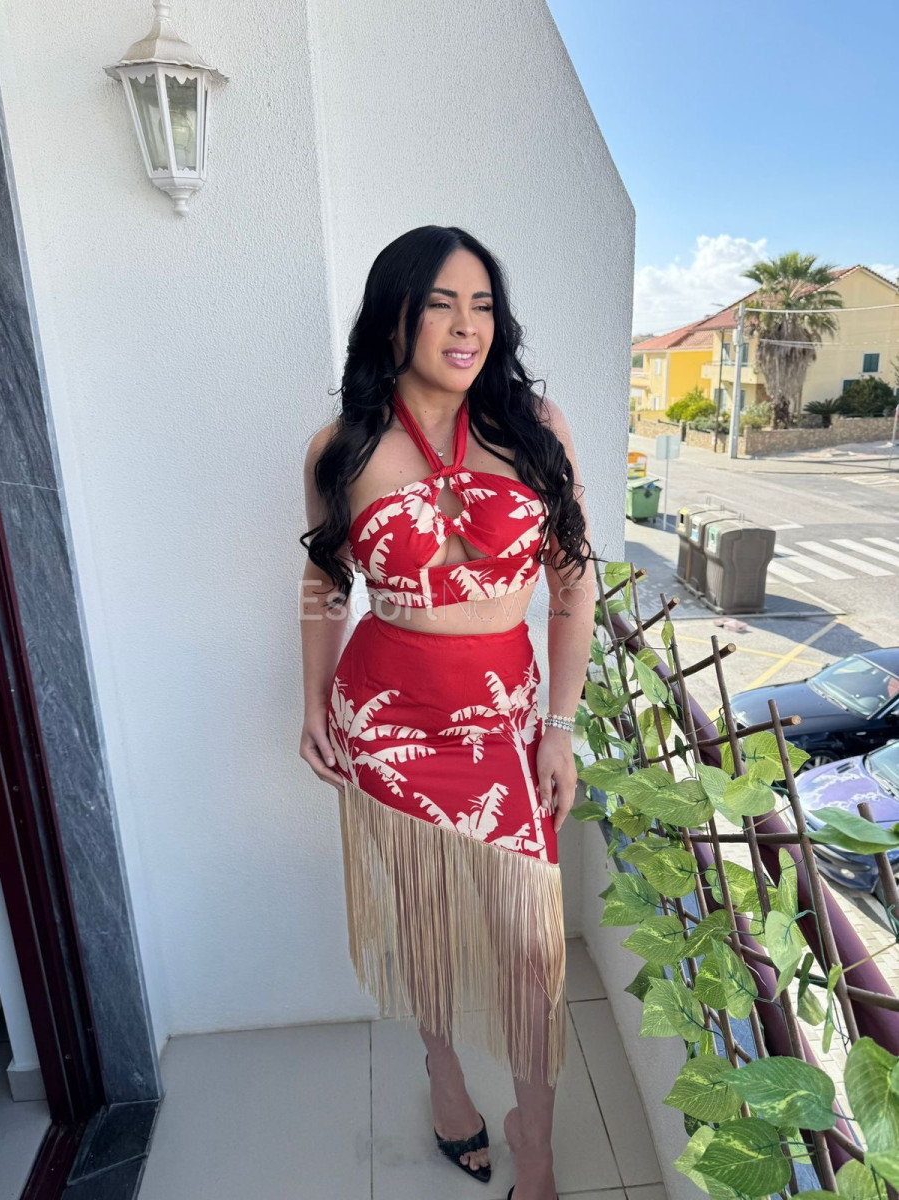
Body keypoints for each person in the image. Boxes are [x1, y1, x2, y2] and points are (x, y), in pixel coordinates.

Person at [299, 225, 595, 1200]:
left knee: (531, 948)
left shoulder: (534, 426)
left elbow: (573, 586)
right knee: (423, 919)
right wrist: (313, 703)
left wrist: (560, 727)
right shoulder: (342, 447)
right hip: (385, 721)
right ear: (395, 318)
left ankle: (535, 1151)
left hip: (506, 723)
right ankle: (446, 1078)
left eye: (482, 306)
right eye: (441, 304)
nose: (467, 326)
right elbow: (325, 587)